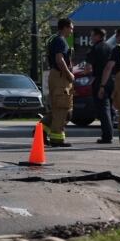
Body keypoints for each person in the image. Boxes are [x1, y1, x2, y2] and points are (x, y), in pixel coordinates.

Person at [41, 18, 75, 147]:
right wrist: (69, 74)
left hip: (56, 76)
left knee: (57, 108)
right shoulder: (60, 41)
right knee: (62, 108)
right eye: (71, 28)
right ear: (64, 27)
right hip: (60, 77)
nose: (72, 31)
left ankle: (41, 131)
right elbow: (60, 60)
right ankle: (57, 139)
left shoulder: (54, 39)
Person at [85, 27, 114, 144]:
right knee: (110, 108)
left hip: (99, 81)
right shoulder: (111, 48)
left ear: (98, 36)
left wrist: (87, 74)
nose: (91, 38)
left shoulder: (95, 49)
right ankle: (110, 132)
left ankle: (107, 136)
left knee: (103, 109)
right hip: (111, 81)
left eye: (92, 36)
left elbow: (88, 68)